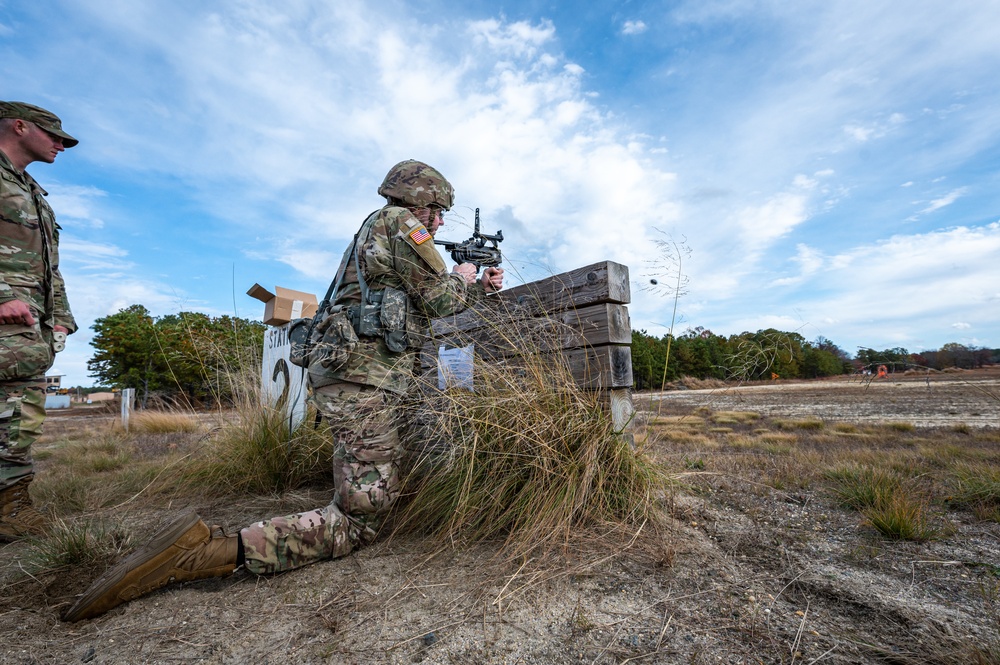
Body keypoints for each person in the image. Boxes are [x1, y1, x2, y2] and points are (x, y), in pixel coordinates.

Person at [63, 159, 504, 621]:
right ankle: (207, 554)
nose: (437, 222)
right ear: (422, 201)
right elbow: (441, 299)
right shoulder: (402, 224)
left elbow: (415, 301)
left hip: (354, 379)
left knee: (375, 478)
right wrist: (465, 276)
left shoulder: (374, 230)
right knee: (356, 523)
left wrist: (479, 290)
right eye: (437, 210)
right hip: (363, 381)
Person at [0, 102, 78, 542]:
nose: (60, 145)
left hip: (27, 330)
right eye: (54, 135)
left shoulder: (31, 192)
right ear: (19, 126)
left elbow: (50, 270)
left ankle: (11, 508)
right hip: (8, 315)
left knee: (19, 414)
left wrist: (62, 320)